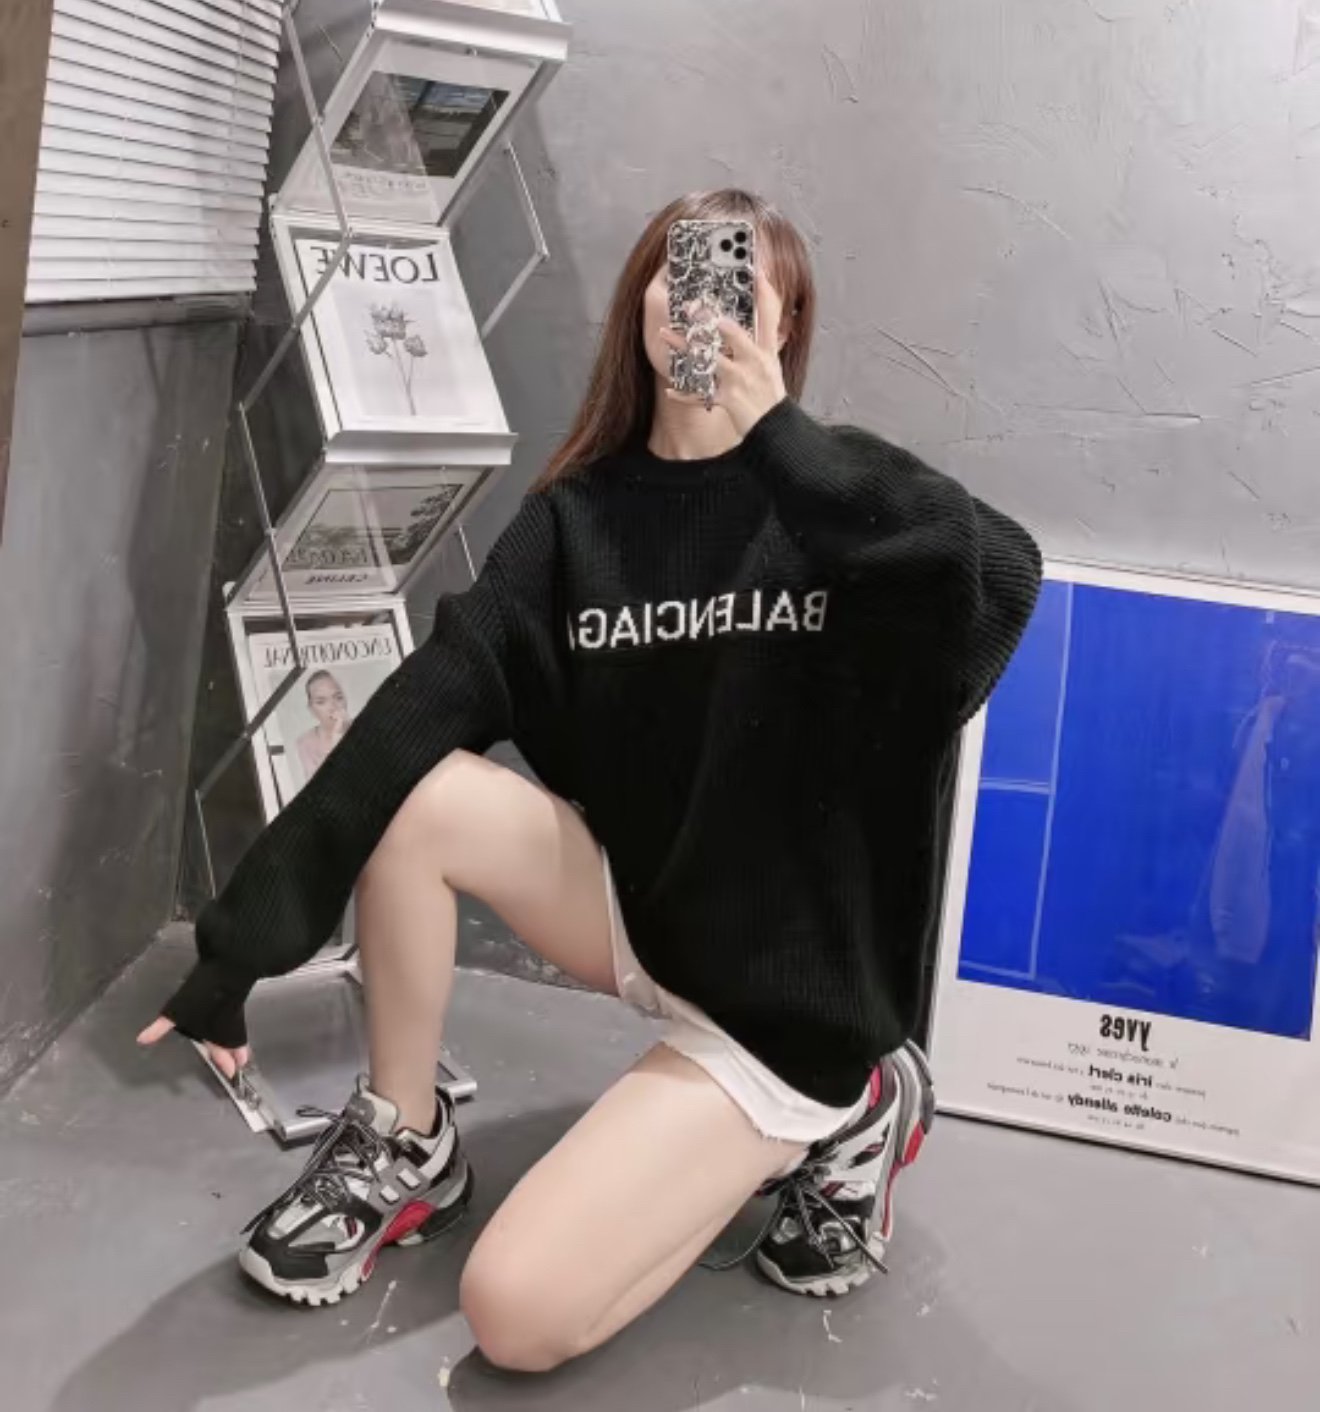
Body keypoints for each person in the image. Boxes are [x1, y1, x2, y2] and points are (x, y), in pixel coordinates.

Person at [138, 189, 1041, 1372]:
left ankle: (857, 1101)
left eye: (741, 282)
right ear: (640, 302)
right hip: (651, 916)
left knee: (514, 1312)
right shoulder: (578, 523)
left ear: (784, 319)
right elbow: (413, 712)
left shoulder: (839, 498)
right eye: (680, 271)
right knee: (426, 792)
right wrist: (237, 951)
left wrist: (780, 439)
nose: (701, 301)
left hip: (786, 1010)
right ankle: (408, 1137)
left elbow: (996, 576)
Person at [295, 670, 352, 783]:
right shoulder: (305, 743)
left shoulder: (365, 730)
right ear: (311, 709)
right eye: (321, 702)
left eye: (338, 698)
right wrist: (336, 738)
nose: (332, 707)